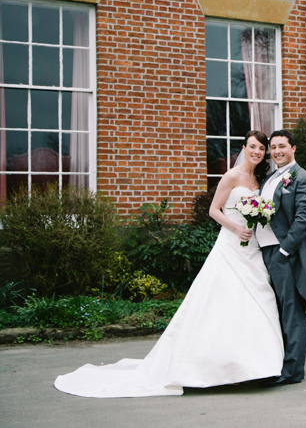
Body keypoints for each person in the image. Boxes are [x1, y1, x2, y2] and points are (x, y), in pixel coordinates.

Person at [54, 130, 284, 397]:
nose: (257, 152)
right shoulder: (232, 176)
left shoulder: (260, 179)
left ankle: (254, 366)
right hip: (231, 243)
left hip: (252, 247)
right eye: (252, 147)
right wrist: (235, 228)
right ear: (244, 148)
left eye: (261, 148)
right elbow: (213, 210)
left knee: (258, 299)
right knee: (223, 299)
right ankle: (221, 368)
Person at [256, 129, 306, 386]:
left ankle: (293, 371)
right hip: (264, 250)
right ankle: (276, 362)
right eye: (273, 147)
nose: (276, 151)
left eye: (282, 146)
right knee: (274, 310)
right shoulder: (270, 178)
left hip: (285, 253)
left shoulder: (304, 178)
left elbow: (305, 217)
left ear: (293, 148)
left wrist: (284, 251)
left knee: (291, 311)